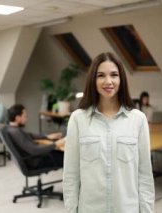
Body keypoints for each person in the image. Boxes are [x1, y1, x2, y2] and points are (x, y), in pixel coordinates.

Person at [63, 52, 155, 213]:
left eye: (114, 75)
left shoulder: (138, 120)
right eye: (101, 76)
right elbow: (71, 176)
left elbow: (145, 176)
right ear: (93, 79)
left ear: (121, 79)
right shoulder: (78, 120)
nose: (108, 81)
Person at [7, 104, 64, 169]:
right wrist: (56, 144)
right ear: (17, 118)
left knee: (58, 152)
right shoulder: (16, 132)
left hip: (35, 158)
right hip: (36, 161)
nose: (26, 119)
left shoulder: (12, 129)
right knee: (67, 157)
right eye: (25, 116)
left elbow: (30, 135)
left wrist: (47, 136)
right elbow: (34, 150)